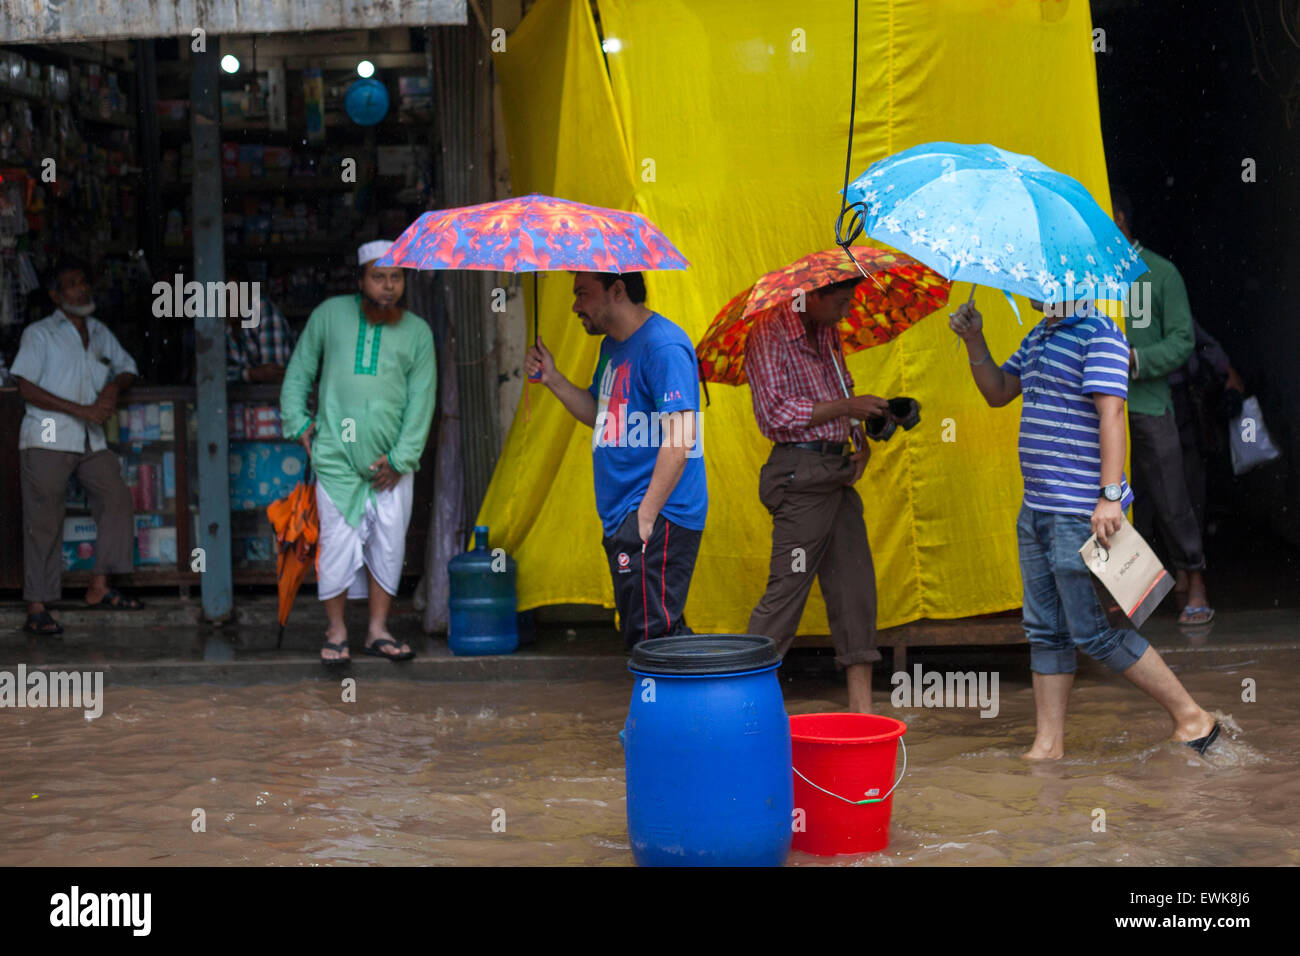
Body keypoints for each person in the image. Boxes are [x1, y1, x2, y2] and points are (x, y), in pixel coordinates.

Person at [949, 292, 1220, 759]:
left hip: (1082, 513)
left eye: (1037, 278)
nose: (1027, 286)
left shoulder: (1099, 335)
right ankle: (1047, 745)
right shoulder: (1039, 335)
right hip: (1037, 509)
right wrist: (974, 340)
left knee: (1096, 632)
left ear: (1064, 281)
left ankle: (1192, 716)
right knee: (1044, 631)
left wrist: (1110, 496)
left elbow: (1112, 413)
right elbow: (997, 393)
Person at [525, 271, 706, 649]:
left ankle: (670, 707)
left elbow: (681, 437)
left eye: (582, 294)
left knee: (651, 637)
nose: (575, 306)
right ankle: (677, 707)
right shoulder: (612, 346)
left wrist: (645, 516)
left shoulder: (663, 347)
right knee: (653, 630)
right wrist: (553, 379)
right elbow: (602, 415)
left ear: (618, 291)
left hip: (657, 515)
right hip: (627, 515)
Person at [280, 241, 436, 666]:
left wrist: (402, 458)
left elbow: (422, 401)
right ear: (360, 279)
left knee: (388, 546)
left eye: (396, 278)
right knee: (336, 547)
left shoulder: (418, 333)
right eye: (379, 276)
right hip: (335, 460)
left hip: (392, 467)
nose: (388, 287)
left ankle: (378, 631)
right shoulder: (330, 315)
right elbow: (299, 372)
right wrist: (298, 424)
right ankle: (336, 631)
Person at [742, 278, 888, 713]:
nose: (846, 310)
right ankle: (742, 704)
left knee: (855, 588)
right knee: (787, 590)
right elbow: (775, 413)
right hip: (800, 475)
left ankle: (862, 712)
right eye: (841, 301)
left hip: (837, 469)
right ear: (815, 294)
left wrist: (862, 433)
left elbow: (844, 388)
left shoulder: (827, 331)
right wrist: (847, 409)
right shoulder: (768, 331)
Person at [10, 257, 143, 634]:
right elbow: (24, 386)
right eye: (71, 283)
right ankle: (37, 605)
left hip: (89, 438)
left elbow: (128, 366)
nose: (81, 288)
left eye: (83, 280)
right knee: (44, 517)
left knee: (116, 497)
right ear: (55, 295)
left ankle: (100, 585)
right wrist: (82, 409)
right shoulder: (40, 334)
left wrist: (113, 387)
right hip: (49, 433)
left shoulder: (99, 332)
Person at [1112, 192, 1212, 626]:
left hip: (1149, 403)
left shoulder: (1160, 272)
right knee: (1113, 502)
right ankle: (1130, 596)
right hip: (1099, 410)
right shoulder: (1082, 275)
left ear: (1119, 219)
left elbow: (1183, 341)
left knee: (1171, 499)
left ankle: (1196, 580)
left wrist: (1138, 359)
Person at [225, 264, 297, 384]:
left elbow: (273, 377)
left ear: (247, 294)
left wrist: (244, 375)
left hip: (271, 400)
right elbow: (208, 374)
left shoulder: (264, 312)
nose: (225, 305)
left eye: (229, 297)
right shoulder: (220, 322)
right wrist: (250, 374)